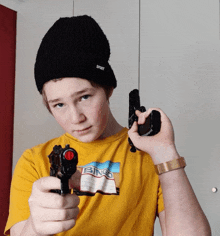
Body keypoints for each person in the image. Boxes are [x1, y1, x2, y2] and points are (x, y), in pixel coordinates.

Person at [4, 15, 211, 236]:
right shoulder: (34, 160)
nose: (75, 118)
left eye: (84, 97)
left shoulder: (148, 155)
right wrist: (34, 227)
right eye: (59, 104)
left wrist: (166, 153)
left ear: (108, 89)